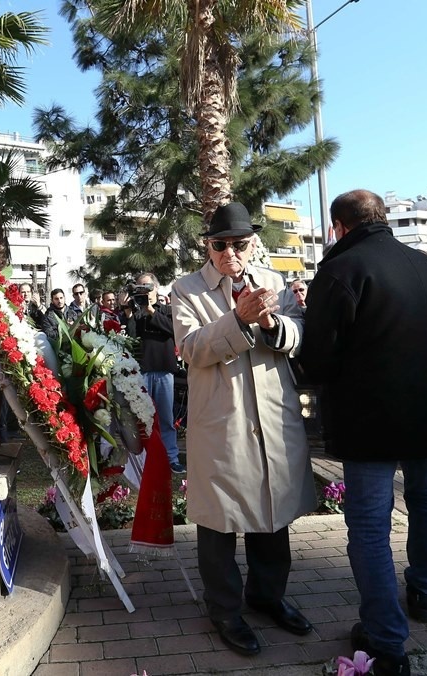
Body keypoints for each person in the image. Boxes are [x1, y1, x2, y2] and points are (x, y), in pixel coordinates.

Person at [300, 189, 427, 676]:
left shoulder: (341, 269)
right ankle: (425, 590)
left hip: (372, 416)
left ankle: (385, 640)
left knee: (372, 525)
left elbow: (318, 355)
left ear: (339, 226)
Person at [172, 202, 316, 657]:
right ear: (208, 247)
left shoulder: (273, 283)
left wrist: (272, 321)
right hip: (224, 421)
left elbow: (298, 335)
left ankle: (268, 596)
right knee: (219, 521)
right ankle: (225, 610)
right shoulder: (186, 289)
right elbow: (192, 349)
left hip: (273, 416)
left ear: (252, 243)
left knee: (273, 513)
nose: (229, 252)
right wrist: (237, 320)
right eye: (220, 244)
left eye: (238, 243)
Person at [125, 273, 184, 474]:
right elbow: (131, 336)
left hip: (164, 371)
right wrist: (131, 312)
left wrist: (151, 311)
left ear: (156, 289)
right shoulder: (136, 313)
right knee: (142, 418)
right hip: (142, 372)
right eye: (140, 287)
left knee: (166, 418)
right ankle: (143, 459)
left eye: (147, 286)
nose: (144, 290)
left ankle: (171, 457)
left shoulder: (168, 310)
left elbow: (174, 331)